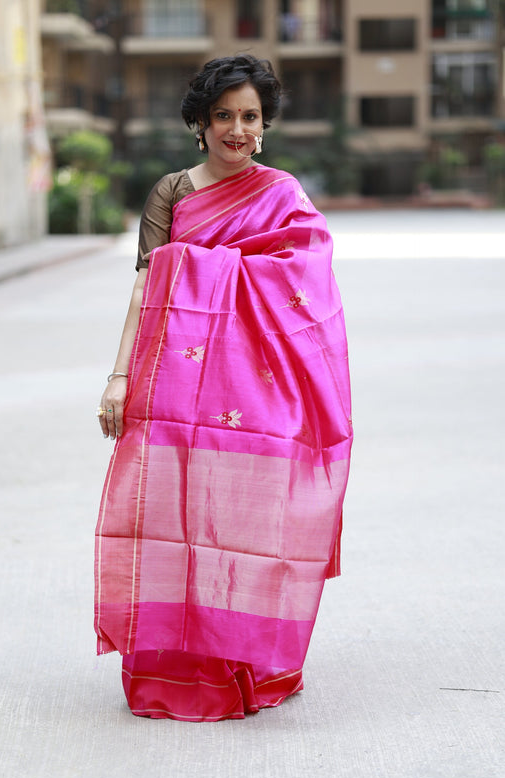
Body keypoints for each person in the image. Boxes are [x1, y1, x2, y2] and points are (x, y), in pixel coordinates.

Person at [94, 54, 352, 722]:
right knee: (172, 520)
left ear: (263, 126)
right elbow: (147, 286)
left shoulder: (282, 195)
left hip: (257, 394)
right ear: (200, 123)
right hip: (173, 382)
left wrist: (216, 269)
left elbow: (308, 289)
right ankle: (173, 664)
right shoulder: (172, 194)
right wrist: (119, 377)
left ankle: (242, 660)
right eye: (223, 116)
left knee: (243, 524)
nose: (237, 129)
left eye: (250, 117)